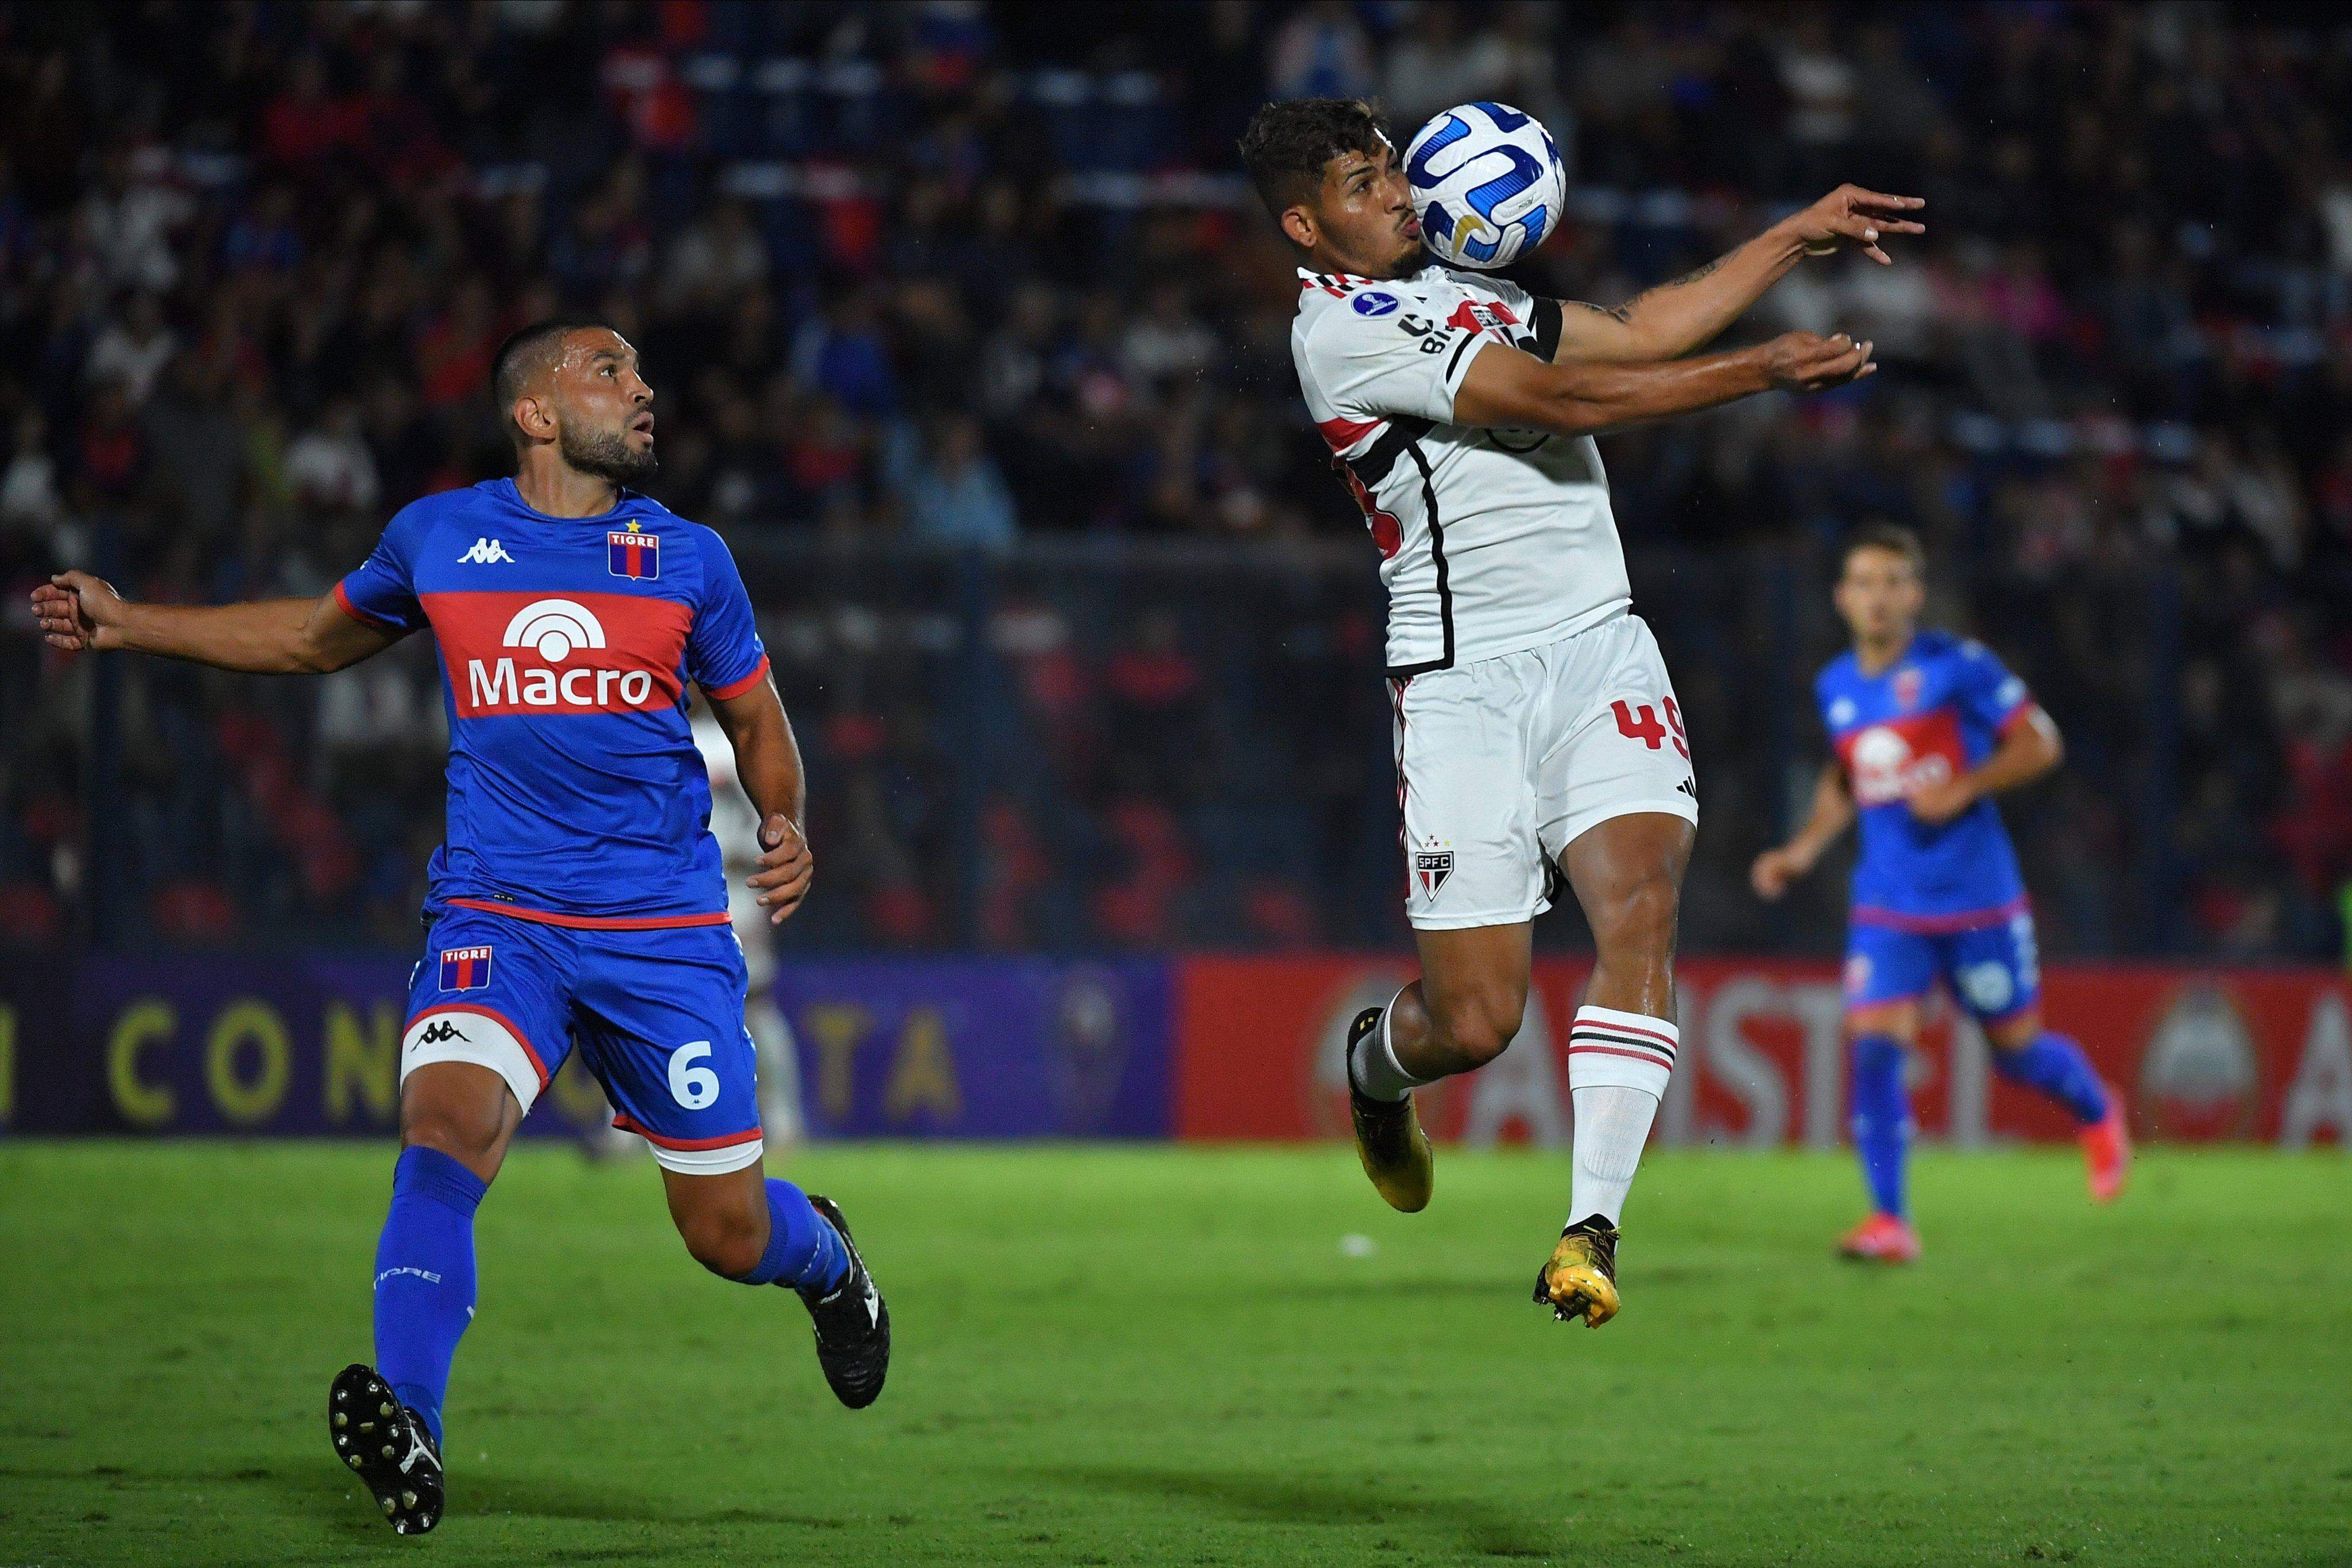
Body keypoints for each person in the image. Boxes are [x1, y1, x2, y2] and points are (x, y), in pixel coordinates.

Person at [30, 320, 889, 1536]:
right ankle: (415, 1432)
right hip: (497, 915)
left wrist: (788, 819)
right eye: (611, 373)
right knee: (443, 1133)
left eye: (642, 376)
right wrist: (131, 623)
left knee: (726, 1230)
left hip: (659, 931)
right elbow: (312, 640)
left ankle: (829, 1263)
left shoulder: (688, 560)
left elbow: (758, 722)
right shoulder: (440, 538)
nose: (643, 392)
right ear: (535, 412)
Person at [1239, 96, 1921, 1327]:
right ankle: (1374, 1067)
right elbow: (1559, 404)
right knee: (1474, 1020)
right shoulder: (1337, 334)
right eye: (1359, 184)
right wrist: (1761, 370)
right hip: (1461, 683)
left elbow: (1636, 328)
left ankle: (1587, 1230)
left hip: (1600, 647)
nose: (1394, 194)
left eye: (1391, 170)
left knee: (1642, 905)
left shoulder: (1471, 284)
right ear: (1306, 223)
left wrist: (1792, 237)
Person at [1751, 524, 2130, 1263]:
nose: (1878, 598)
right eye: (1864, 582)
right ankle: (1890, 1220)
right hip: (1889, 906)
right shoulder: (1836, 686)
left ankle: (2096, 1107)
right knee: (1874, 1050)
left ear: (1916, 595)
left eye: (1894, 581)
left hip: (1977, 899)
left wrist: (1966, 784)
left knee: (2016, 1053)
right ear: (1841, 598)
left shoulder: (1958, 667)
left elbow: (2040, 742)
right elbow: (1846, 778)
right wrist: (1800, 852)